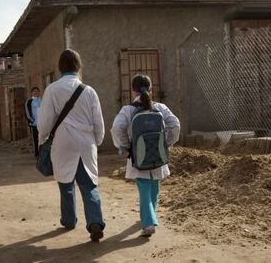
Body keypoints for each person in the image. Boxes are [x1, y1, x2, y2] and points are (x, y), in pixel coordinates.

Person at [37, 49, 105, 242]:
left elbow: (45, 122)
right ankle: (95, 222)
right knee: (89, 185)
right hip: (85, 143)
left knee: (66, 184)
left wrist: (43, 138)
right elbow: (98, 122)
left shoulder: (52, 89)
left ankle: (68, 220)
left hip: (62, 142)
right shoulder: (89, 91)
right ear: (78, 66)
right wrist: (97, 141)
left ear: (60, 67)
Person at [111, 74, 180, 237]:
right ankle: (151, 214)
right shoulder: (160, 108)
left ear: (132, 90)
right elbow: (175, 125)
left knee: (143, 188)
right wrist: (167, 143)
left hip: (138, 156)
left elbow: (116, 128)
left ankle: (148, 223)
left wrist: (126, 146)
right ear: (151, 89)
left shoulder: (127, 110)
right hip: (158, 155)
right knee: (154, 186)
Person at [25, 87, 42, 157]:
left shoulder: (42, 100)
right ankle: (36, 153)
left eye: (37, 91)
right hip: (34, 124)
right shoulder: (29, 101)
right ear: (32, 93)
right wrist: (31, 120)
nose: (36, 93)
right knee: (35, 139)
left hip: (42, 123)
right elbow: (27, 112)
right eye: (34, 91)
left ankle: (42, 153)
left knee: (42, 138)